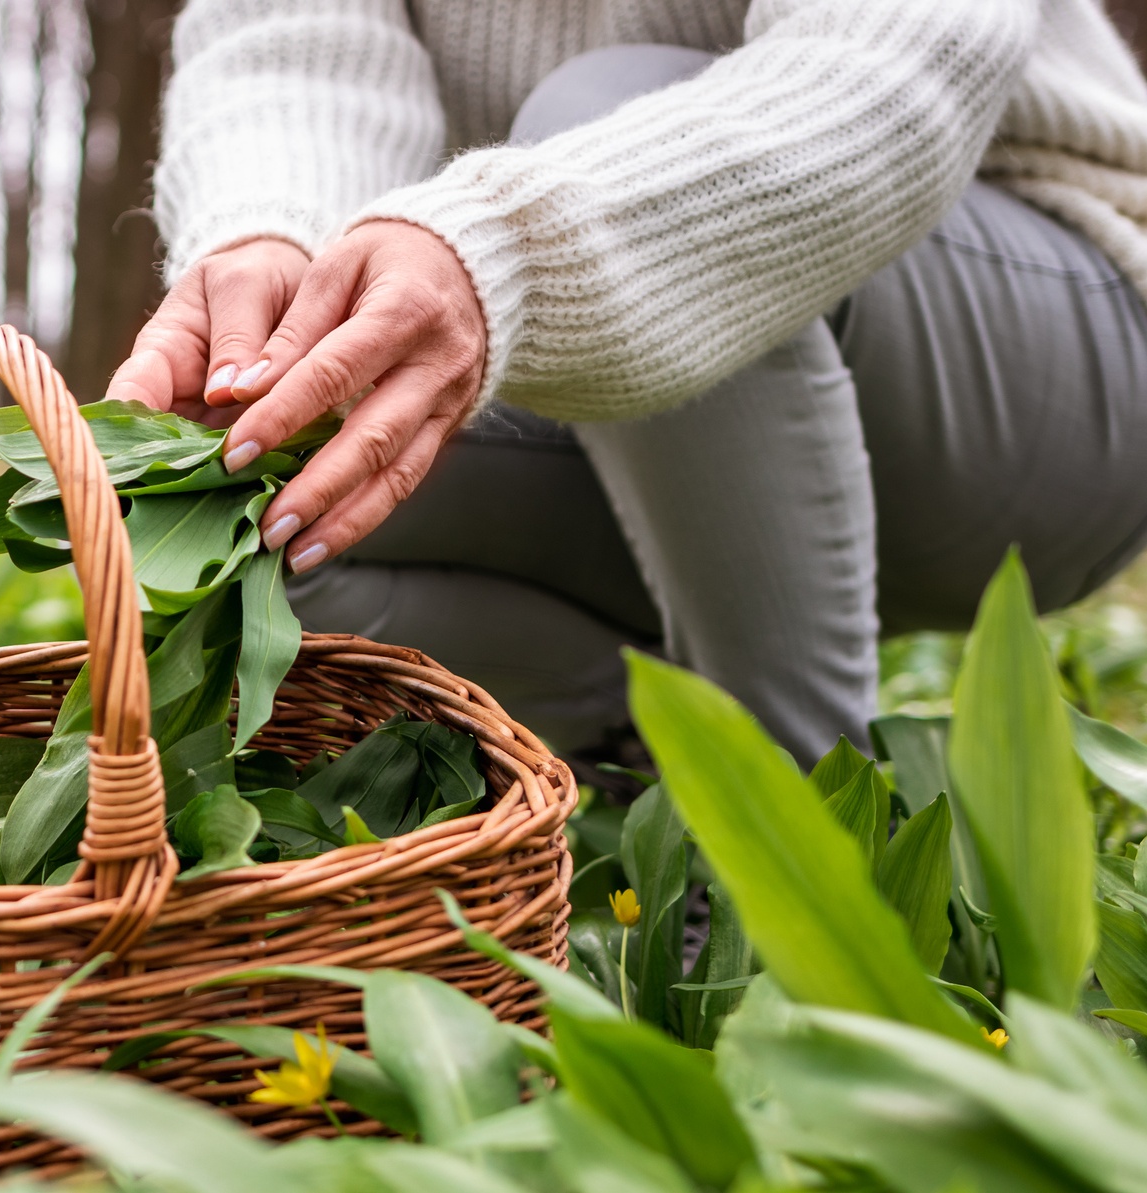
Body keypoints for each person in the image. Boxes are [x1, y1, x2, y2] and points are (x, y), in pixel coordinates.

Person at [110, 0, 1147, 765]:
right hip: (637, 418)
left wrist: (508, 249)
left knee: (602, 109)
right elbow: (289, 52)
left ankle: (801, 827)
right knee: (262, 497)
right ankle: (658, 754)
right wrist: (274, 249)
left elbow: (895, 63)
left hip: (1052, 361)